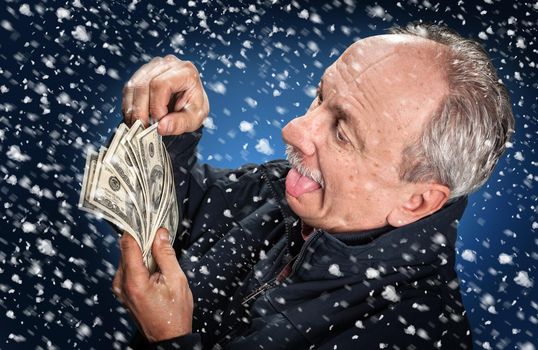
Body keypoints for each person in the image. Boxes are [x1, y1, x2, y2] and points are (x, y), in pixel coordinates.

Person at [112, 22, 514, 349]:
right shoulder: (285, 192)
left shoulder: (414, 336)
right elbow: (169, 211)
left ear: (418, 200)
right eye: (320, 97)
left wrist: (169, 340)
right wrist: (162, 128)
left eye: (343, 132)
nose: (293, 130)